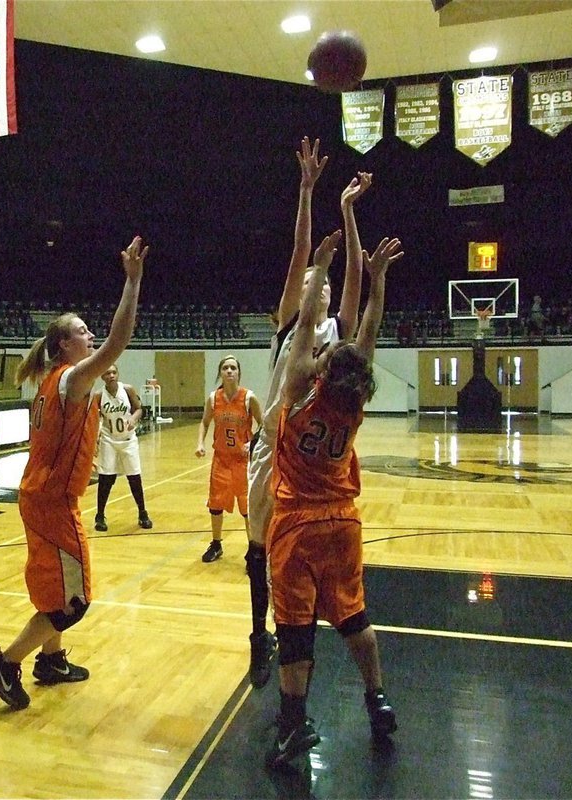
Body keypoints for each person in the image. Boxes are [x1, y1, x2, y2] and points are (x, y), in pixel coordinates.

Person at [0, 235, 148, 710]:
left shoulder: (52, 381)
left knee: (54, 588)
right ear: (62, 345)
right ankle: (6, 663)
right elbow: (118, 342)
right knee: (72, 603)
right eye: (82, 331)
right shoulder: (72, 378)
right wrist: (132, 284)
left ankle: (50, 662)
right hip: (54, 502)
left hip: (38, 496)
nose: (89, 335)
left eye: (88, 329)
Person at [265, 229, 404, 769]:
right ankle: (377, 697)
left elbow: (302, 329)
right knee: (354, 616)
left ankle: (291, 725)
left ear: (323, 365)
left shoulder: (298, 388)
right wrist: (378, 282)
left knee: (296, 628)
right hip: (342, 521)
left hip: (296, 521)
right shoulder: (352, 404)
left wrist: (319, 271)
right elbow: (368, 333)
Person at [246, 135, 372, 689]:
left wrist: (347, 211)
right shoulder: (288, 324)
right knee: (257, 550)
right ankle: (258, 635)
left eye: (314, 284)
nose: (310, 288)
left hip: (311, 461)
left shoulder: (337, 332)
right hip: (270, 451)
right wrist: (306, 191)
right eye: (303, 284)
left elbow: (356, 280)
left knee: (302, 561)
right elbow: (303, 254)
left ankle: (300, 637)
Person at [195, 355, 262, 562]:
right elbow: (205, 422)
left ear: (239, 372)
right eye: (226, 368)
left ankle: (254, 548)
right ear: (220, 373)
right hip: (221, 460)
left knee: (247, 508)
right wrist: (200, 443)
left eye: (233, 367)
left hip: (242, 461)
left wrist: (253, 443)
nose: (230, 371)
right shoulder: (213, 398)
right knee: (215, 505)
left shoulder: (249, 398)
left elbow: (263, 424)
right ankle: (216, 545)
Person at [94, 364, 153, 532]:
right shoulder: (99, 395)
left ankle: (142, 513)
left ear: (118, 374)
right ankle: (100, 515)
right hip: (108, 439)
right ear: (102, 377)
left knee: (134, 477)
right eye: (107, 373)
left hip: (128, 439)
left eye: (114, 372)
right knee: (105, 479)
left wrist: (134, 418)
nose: (111, 375)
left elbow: (139, 409)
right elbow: (95, 417)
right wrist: (95, 437)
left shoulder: (127, 390)